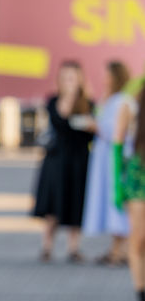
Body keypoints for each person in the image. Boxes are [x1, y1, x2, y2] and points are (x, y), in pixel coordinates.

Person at [34, 60, 95, 262]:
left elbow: (92, 134)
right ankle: (47, 246)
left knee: (76, 201)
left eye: (72, 77)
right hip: (57, 159)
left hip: (79, 159)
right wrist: (68, 96)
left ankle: (73, 247)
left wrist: (91, 126)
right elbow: (59, 121)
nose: (69, 81)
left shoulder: (88, 103)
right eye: (65, 77)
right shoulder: (53, 101)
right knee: (53, 203)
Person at [82, 61, 132, 265]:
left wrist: (96, 127)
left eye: (107, 75)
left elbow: (118, 132)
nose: (103, 79)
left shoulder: (123, 101)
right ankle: (116, 248)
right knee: (110, 202)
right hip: (106, 157)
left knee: (117, 202)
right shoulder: (110, 99)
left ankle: (123, 250)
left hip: (116, 158)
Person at [116, 83, 145, 301]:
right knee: (138, 239)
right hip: (138, 175)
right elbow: (117, 144)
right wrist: (117, 184)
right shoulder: (133, 103)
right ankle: (141, 298)